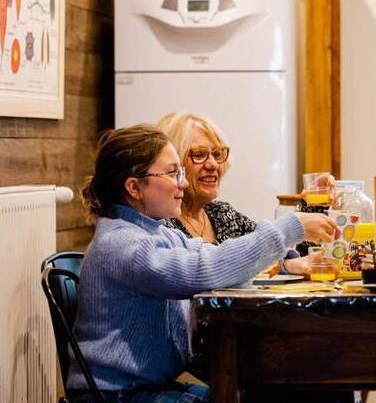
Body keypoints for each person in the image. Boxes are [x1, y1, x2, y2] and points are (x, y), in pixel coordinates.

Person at [66, 124, 335, 402]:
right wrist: (289, 228)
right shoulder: (124, 244)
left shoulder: (155, 232)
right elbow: (204, 270)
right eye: (172, 173)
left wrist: (284, 253)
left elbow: (210, 255)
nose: (181, 182)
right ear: (134, 187)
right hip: (116, 395)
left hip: (147, 386)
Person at [156, 112, 313, 274]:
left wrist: (315, 205)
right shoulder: (161, 223)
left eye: (217, 154)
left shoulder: (222, 214)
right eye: (199, 155)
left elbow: (270, 249)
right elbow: (204, 270)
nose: (213, 165)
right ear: (173, 165)